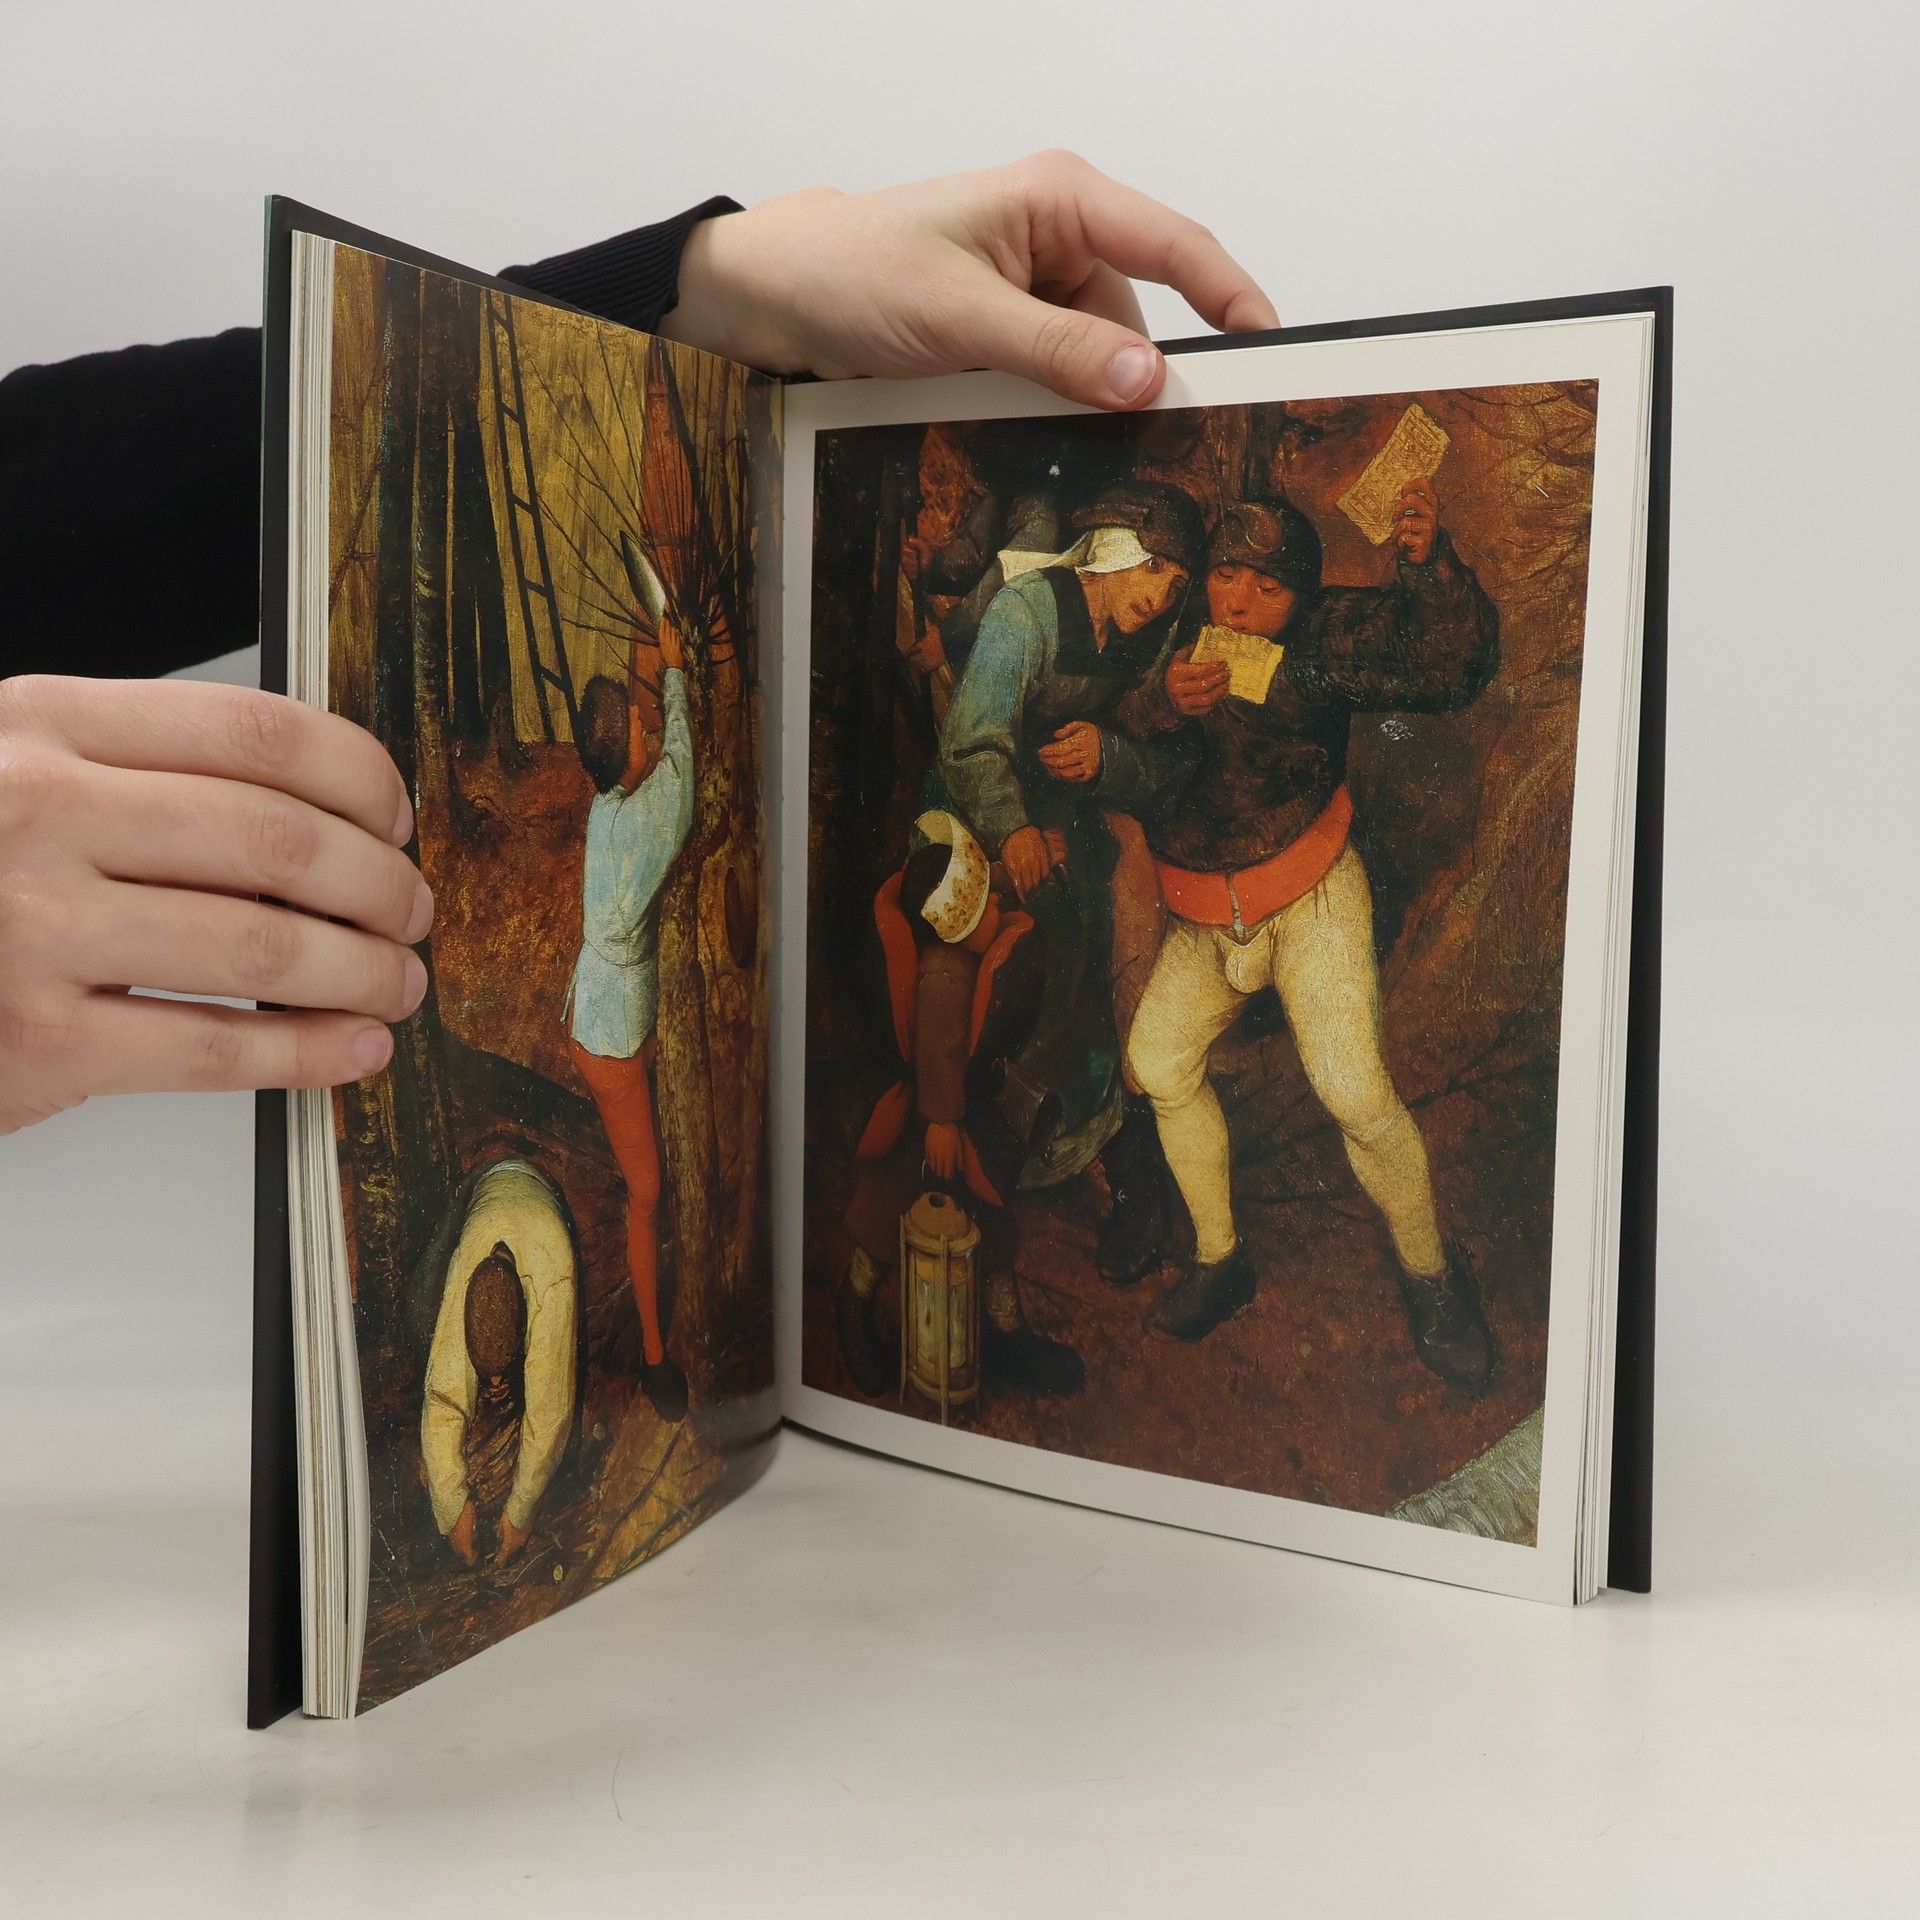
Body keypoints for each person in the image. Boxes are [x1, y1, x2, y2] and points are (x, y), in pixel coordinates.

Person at [0, 154, 1278, 1141]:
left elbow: (62, 499)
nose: (1159, 600)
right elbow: (952, 730)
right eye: (1155, 576)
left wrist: (692, 289)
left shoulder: (646, 794)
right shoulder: (1006, 625)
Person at [1113, 484, 1503, 1388]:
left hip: (1309, 894)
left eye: (1268, 587)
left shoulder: (1326, 636)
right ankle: (1222, 1260)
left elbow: (1450, 666)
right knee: (1159, 1065)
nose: (1240, 603)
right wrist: (1162, 702)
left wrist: (1428, 567)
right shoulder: (1174, 627)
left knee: (1355, 1093)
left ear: (1300, 594)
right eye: (1226, 576)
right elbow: (1103, 715)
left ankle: (1432, 1278)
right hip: (1205, 915)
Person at [932, 480, 1201, 1288]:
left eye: (1175, 583)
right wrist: (1012, 829)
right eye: (1150, 568)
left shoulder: (1151, 640)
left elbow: (1166, 765)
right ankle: (994, 1158)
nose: (1158, 596)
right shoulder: (1028, 613)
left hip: (1069, 821)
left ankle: (1117, 1165)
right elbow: (970, 743)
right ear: (1112, 551)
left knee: (1111, 941)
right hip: (977, 817)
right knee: (1048, 949)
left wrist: (1107, 757)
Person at [838, 810, 1081, 1399]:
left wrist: (1029, 864)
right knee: (883, 1224)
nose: (996, 905)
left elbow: (985, 890)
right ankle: (853, 1311)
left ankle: (1007, 1333)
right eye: (984, 906)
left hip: (959, 1110)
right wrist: (942, 1121)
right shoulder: (945, 972)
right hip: (923, 1123)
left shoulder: (958, 925)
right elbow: (939, 1039)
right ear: (959, 928)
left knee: (990, 1229)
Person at [564, 593, 695, 1423]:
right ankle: (653, 1354)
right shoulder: (649, 819)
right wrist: (675, 672)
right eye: (641, 727)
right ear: (628, 753)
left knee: (642, 1153)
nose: (649, 727)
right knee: (646, 1192)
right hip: (608, 1036)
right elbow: (682, 767)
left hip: (607, 1003)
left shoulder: (608, 804)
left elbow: (655, 755)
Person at [420, 1158, 580, 1567]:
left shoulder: (553, 1278)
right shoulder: (466, 1265)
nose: (493, 1388)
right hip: (484, 1183)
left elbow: (550, 1413)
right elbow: (442, 1395)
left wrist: (520, 1514)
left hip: (543, 1191)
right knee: (417, 1315)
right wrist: (451, 1507)